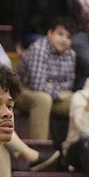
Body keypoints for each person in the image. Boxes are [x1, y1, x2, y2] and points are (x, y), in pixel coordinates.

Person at [15, 16, 76, 144]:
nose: (64, 40)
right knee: (43, 100)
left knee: (78, 100)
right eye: (60, 34)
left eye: (68, 37)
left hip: (50, 95)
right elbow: (38, 85)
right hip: (21, 91)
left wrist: (51, 88)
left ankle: (70, 148)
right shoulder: (39, 49)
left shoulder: (71, 54)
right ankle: (39, 151)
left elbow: (69, 83)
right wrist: (57, 94)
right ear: (50, 33)